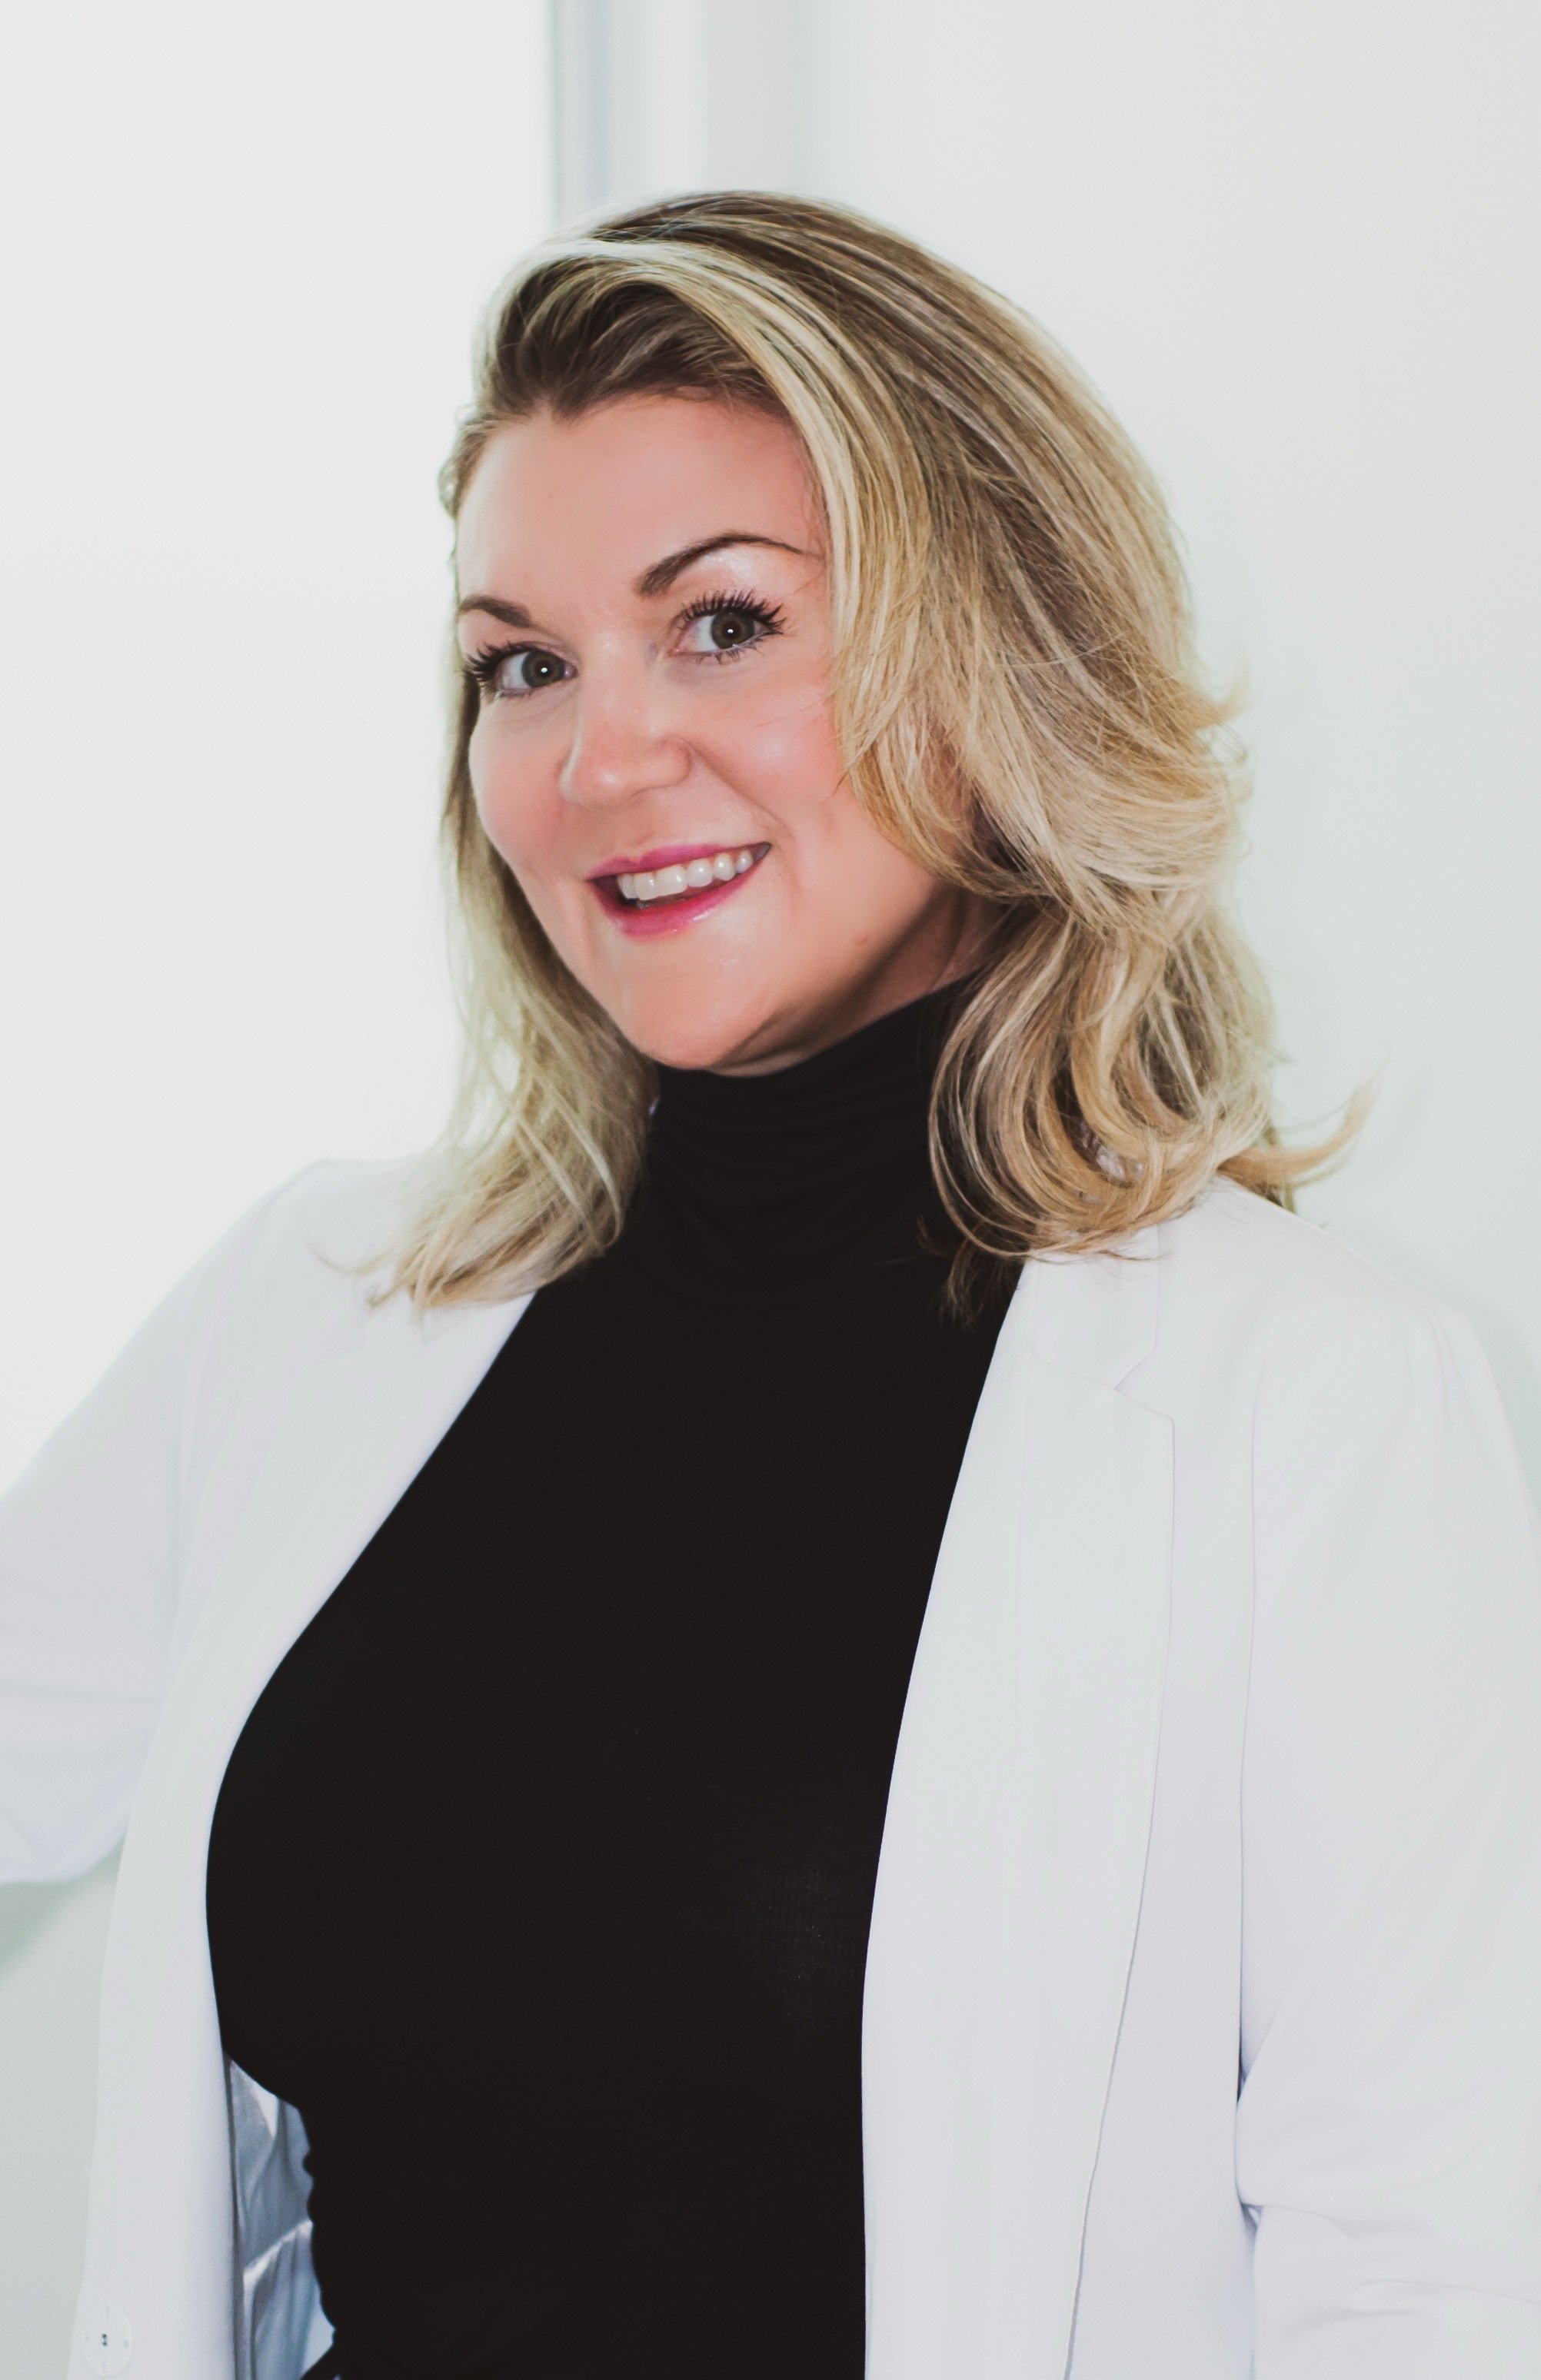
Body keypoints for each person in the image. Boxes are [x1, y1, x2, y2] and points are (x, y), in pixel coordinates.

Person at [3, 191, 1538, 2380]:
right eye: (517, 662)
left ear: (998, 643)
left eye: (718, 623)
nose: (594, 760)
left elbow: (1422, 2294)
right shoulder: (319, 1303)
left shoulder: (1319, 1409)